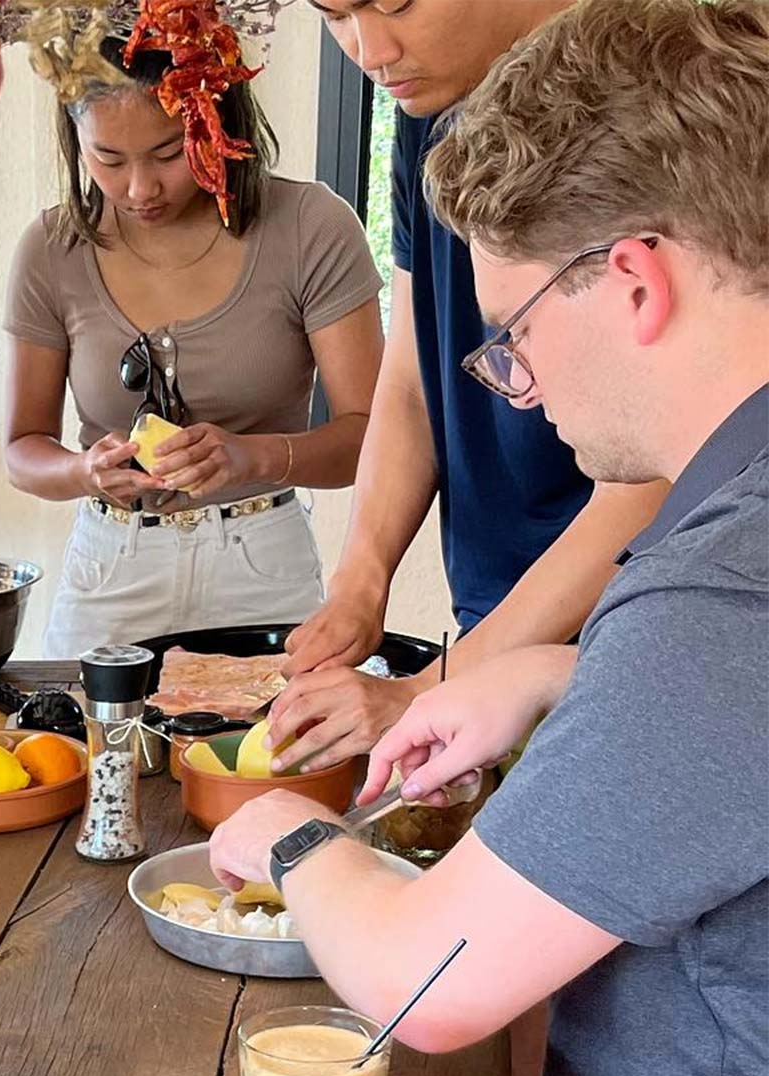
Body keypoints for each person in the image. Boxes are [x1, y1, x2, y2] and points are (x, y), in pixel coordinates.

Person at [210, 4, 769, 1076]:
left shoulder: (727, 586)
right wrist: (550, 673)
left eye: (510, 337)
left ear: (634, 281)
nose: (514, 385)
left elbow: (428, 983)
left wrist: (288, 839)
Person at [265, 0, 670, 774]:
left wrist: (427, 689)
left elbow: (650, 477)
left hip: (638, 630)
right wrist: (360, 579)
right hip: (492, 617)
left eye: (394, 4)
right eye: (336, 14)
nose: (370, 49)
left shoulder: (640, 108)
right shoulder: (429, 112)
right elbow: (416, 375)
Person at [6, 25, 385, 654]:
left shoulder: (311, 229)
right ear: (74, 136)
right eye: (108, 159)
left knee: (269, 749)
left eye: (167, 152)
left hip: (262, 564)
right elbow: (23, 448)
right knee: (78, 750)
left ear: (216, 117)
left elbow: (371, 437)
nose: (139, 189)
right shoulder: (51, 249)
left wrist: (253, 457)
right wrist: (83, 472)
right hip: (110, 568)